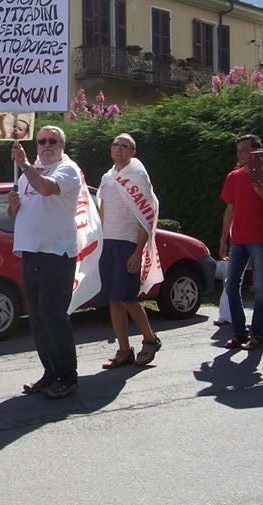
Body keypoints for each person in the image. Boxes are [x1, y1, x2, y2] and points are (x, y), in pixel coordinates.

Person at [8, 125, 82, 398]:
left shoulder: (68, 169)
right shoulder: (30, 172)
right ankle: (50, 372)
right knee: (38, 319)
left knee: (54, 316)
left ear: (62, 145)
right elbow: (18, 216)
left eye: (53, 140)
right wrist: (12, 206)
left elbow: (47, 189)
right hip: (31, 252)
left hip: (56, 253)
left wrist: (24, 163)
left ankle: (67, 376)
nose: (47, 145)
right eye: (42, 141)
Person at [97, 133, 162, 368]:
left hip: (128, 245)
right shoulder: (107, 177)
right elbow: (102, 211)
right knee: (114, 299)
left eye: (125, 146)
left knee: (127, 298)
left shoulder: (138, 177)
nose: (119, 149)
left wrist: (138, 252)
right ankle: (124, 351)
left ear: (133, 152)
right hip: (108, 244)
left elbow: (147, 218)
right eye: (116, 144)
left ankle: (150, 339)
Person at [219, 134, 263, 350]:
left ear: (256, 152)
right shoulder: (233, 177)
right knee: (232, 286)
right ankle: (240, 333)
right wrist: (223, 239)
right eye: (239, 151)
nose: (241, 154)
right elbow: (230, 209)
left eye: (245, 150)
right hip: (238, 241)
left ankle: (258, 336)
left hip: (259, 240)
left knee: (261, 289)